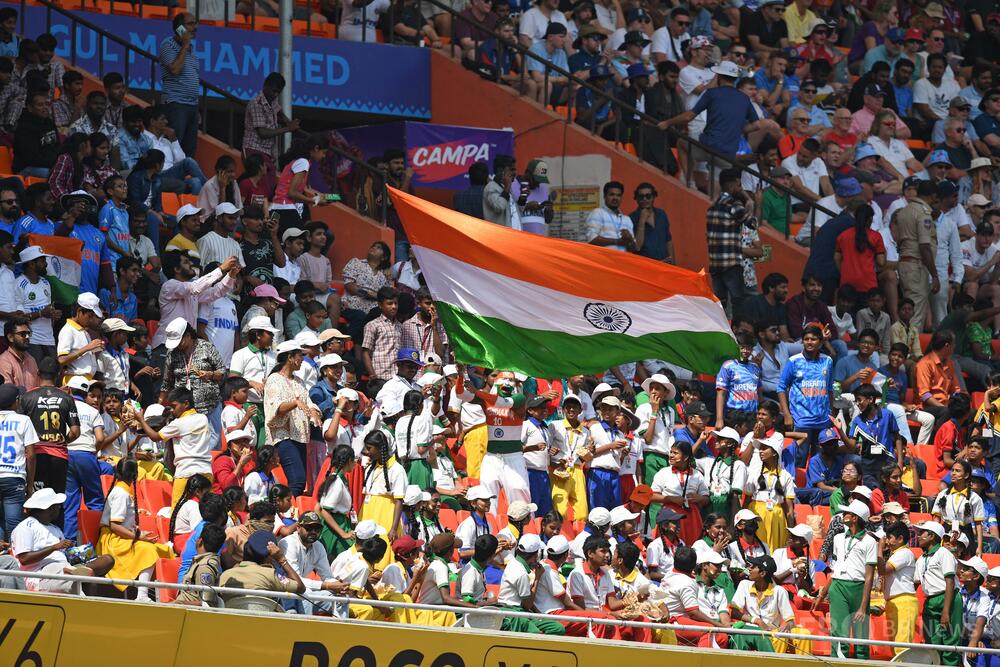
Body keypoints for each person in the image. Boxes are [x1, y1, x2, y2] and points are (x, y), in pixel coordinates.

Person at [97, 459, 175, 602]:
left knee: (162, 549)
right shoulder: (121, 494)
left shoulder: (122, 491)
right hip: (113, 541)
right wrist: (138, 536)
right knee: (148, 550)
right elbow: (115, 526)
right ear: (135, 475)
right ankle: (142, 595)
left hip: (121, 537)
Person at [11, 487, 114, 594]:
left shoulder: (56, 529)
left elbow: (63, 554)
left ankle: (80, 571)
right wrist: (54, 547)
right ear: (50, 509)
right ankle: (78, 573)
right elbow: (24, 559)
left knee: (108, 560)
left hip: (64, 566)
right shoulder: (25, 527)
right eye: (58, 505)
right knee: (86, 582)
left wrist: (77, 552)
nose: (60, 508)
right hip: (40, 574)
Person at [263, 341, 322, 497]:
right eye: (300, 355)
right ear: (290, 358)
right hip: (283, 436)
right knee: (298, 480)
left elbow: (308, 401)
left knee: (299, 481)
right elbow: (275, 408)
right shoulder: (274, 379)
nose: (302, 359)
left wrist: (314, 411)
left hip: (299, 436)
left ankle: (288, 507)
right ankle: (282, 507)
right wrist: (295, 403)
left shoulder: (299, 381)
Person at [20, 357, 79, 495]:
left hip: (36, 455)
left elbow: (20, 428)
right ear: (58, 374)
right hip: (59, 456)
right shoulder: (67, 398)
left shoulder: (27, 397)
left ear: (38, 373)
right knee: (57, 498)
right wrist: (61, 441)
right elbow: (75, 432)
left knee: (37, 498)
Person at [915, 520, 964, 665]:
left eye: (922, 533)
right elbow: (915, 583)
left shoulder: (944, 553)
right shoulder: (921, 559)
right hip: (931, 600)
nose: (918, 536)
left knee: (950, 641)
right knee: (932, 641)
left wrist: (946, 611)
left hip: (948, 597)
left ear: (932, 536)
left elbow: (950, 582)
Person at [894, 180, 939, 334]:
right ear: (933, 195)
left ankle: (904, 344)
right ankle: (909, 347)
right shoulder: (923, 214)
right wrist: (935, 275)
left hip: (905, 263)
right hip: (916, 265)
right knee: (915, 314)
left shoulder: (904, 211)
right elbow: (924, 246)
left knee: (908, 310)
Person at [242, 73, 299, 193]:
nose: (276, 94)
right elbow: (262, 133)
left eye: (278, 92)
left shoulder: (272, 100)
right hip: (253, 149)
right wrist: (288, 128)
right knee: (259, 188)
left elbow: (278, 112)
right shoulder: (256, 104)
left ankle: (265, 206)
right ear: (265, 86)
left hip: (268, 153)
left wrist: (288, 122)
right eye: (273, 91)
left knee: (269, 187)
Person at [158, 13, 201, 158]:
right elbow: (175, 69)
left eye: (195, 23)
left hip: (192, 106)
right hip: (176, 103)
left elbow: (193, 78)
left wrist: (196, 105)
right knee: (173, 147)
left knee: (189, 151)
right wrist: (185, 44)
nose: (195, 27)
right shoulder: (168, 44)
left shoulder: (192, 49)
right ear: (179, 28)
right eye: (190, 24)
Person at [0, 318, 39, 389]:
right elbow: (8, 392)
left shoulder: (31, 360)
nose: (27, 337)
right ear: (10, 337)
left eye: (28, 333)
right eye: (23, 334)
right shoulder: (3, 361)